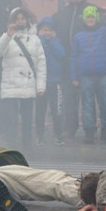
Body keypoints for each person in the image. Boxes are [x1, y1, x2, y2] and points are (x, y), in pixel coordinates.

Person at [0, 7, 46, 150]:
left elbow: (41, 64)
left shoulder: (35, 40)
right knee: (10, 120)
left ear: (27, 20)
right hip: (10, 85)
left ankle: (28, 148)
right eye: (17, 19)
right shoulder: (7, 37)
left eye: (22, 18)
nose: (20, 21)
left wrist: (41, 86)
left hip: (28, 85)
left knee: (27, 121)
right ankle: (11, 148)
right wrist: (7, 36)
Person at [70, 4, 106, 144]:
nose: (90, 19)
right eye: (88, 17)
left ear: (97, 18)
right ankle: (89, 133)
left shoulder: (104, 31)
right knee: (87, 105)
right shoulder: (78, 36)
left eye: (93, 16)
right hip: (86, 76)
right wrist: (74, 76)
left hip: (104, 74)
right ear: (84, 19)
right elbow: (73, 57)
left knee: (105, 103)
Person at [54, 0, 90, 141]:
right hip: (66, 63)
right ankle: (69, 128)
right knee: (69, 98)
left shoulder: (91, 11)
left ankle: (90, 130)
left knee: (88, 97)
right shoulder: (61, 14)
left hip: (85, 61)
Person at [34, 16, 65, 145]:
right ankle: (39, 135)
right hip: (41, 82)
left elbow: (61, 54)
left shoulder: (56, 42)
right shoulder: (36, 42)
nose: (47, 32)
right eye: (44, 30)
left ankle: (58, 135)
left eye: (49, 30)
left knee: (56, 110)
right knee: (40, 110)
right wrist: (42, 41)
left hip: (55, 81)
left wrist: (51, 42)